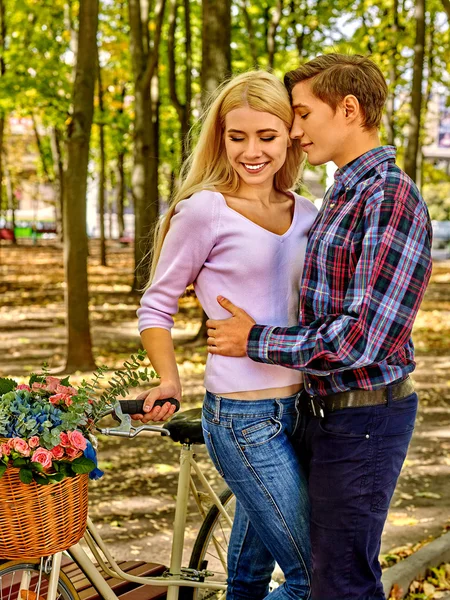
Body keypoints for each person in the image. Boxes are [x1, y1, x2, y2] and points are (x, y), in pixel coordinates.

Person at [205, 54, 433, 600]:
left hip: (365, 418)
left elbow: (363, 338)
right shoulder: (343, 193)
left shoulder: (387, 196)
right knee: (302, 574)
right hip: (322, 410)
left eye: (303, 114)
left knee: (341, 584)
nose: (295, 129)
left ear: (348, 109)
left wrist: (254, 339)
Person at [135, 71, 318, 599]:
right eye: (237, 137)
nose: (252, 151)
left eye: (267, 136)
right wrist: (169, 379)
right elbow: (156, 304)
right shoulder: (204, 212)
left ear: (289, 136)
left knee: (247, 582)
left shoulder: (308, 214)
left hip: (302, 412)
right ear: (220, 138)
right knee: (315, 578)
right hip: (241, 419)